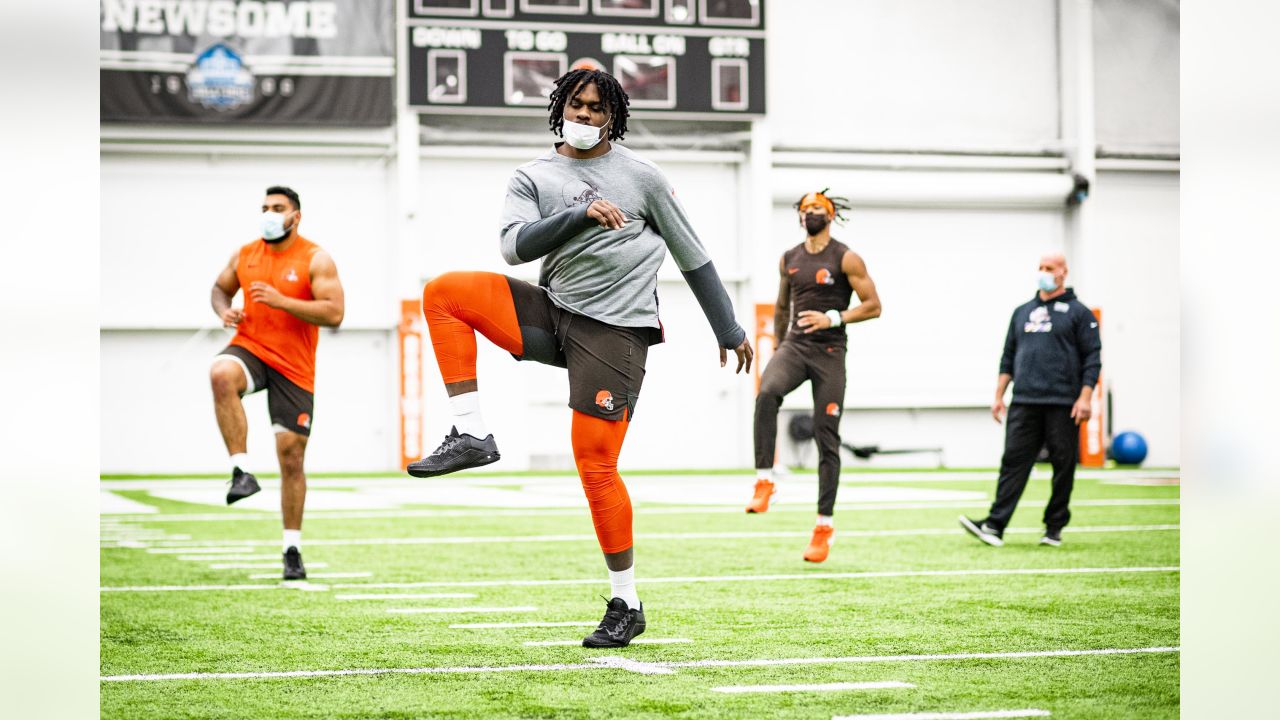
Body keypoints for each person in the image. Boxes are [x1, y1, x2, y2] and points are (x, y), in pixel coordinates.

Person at [406, 68, 753, 647]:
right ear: (559, 107)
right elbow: (513, 248)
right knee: (444, 292)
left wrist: (728, 326)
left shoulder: (642, 176)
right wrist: (579, 214)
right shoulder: (534, 174)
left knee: (594, 466)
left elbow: (693, 257)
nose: (587, 116)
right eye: (578, 105)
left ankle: (627, 601)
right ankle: (471, 434)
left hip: (616, 331)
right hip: (553, 311)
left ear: (614, 116)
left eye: (598, 109)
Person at [209, 186, 345, 580]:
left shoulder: (315, 258)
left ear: (295, 216)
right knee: (220, 373)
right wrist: (225, 310)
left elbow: (335, 313)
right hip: (251, 347)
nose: (269, 213)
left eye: (278, 208)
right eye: (265, 207)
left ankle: (291, 549)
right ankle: (241, 472)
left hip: (294, 365)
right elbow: (220, 288)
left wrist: (281, 300)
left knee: (291, 458)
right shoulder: (245, 253)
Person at [746, 190, 881, 563]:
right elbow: (782, 306)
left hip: (830, 352)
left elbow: (874, 306)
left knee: (827, 436)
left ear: (831, 214)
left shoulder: (845, 257)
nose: (810, 215)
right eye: (805, 210)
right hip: (795, 346)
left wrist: (834, 317)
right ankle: (764, 480)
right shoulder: (789, 257)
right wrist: (777, 349)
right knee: (767, 393)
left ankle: (823, 526)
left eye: (817, 209)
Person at [960, 252, 1101, 548]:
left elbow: (1092, 360)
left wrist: (1085, 397)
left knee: (1063, 466)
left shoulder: (1079, 313)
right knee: (1013, 462)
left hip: (1064, 402)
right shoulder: (1022, 311)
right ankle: (994, 525)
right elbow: (1008, 356)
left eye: (1049, 268)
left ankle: (1054, 527)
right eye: (1040, 267)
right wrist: (999, 395)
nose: (1043, 272)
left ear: (1063, 272)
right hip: (1024, 400)